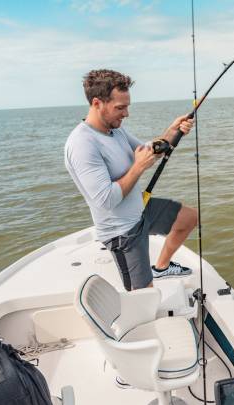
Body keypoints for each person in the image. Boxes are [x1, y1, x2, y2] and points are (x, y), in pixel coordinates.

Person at [65, 69, 197, 290]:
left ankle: (162, 267)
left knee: (190, 218)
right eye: (120, 108)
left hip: (141, 211)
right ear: (97, 103)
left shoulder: (115, 131)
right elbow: (106, 199)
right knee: (145, 298)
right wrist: (138, 167)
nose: (126, 114)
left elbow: (148, 150)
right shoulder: (82, 144)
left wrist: (172, 131)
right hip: (123, 233)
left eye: (127, 106)